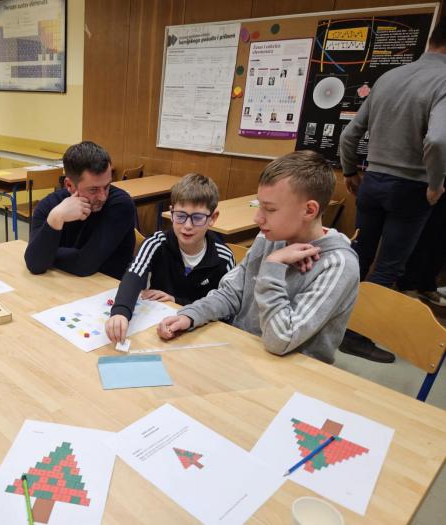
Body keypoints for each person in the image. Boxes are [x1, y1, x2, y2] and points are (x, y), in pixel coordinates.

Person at [156, 151, 359, 364]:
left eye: (269, 209)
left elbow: (280, 341)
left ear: (309, 210)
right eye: (259, 205)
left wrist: (273, 266)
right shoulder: (269, 237)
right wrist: (190, 315)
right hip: (242, 351)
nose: (257, 217)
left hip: (293, 369)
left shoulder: (338, 264)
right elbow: (231, 294)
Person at [338, 19, 446, 361]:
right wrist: (435, 184)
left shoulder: (389, 77)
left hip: (372, 181)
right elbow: (438, 140)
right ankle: (355, 335)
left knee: (357, 257)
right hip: (411, 187)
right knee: (388, 267)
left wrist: (349, 170)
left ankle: (333, 321)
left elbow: (349, 135)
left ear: (431, 40)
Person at [106, 173, 234, 344]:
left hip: (201, 336)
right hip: (158, 331)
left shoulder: (223, 258)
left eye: (197, 218)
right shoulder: (156, 243)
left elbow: (226, 309)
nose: (187, 226)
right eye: (180, 216)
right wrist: (121, 311)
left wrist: (176, 301)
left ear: (213, 218)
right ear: (171, 212)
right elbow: (134, 275)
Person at [24, 141, 135, 279]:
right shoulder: (50, 206)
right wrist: (55, 218)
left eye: (107, 186)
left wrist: (49, 254)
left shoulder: (120, 205)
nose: (103, 196)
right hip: (66, 284)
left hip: (107, 287)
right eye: (93, 189)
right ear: (69, 185)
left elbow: (84, 265)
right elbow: (35, 264)